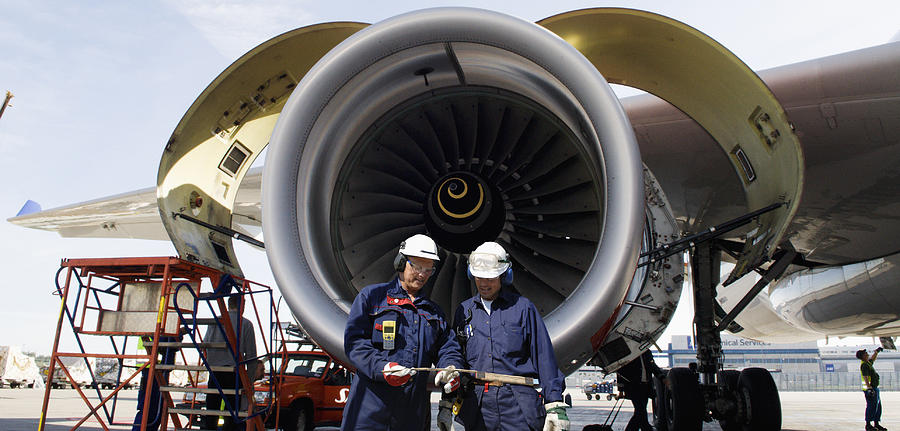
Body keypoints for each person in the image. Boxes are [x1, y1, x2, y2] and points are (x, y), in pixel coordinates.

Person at [341, 233, 464, 430]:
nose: (422, 274)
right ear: (401, 263)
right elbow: (355, 344)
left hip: (411, 415)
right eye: (416, 266)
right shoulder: (372, 298)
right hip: (369, 411)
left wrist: (450, 368)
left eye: (428, 269)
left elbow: (448, 348)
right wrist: (382, 367)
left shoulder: (434, 313)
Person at [451, 241, 569, 431]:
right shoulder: (464, 311)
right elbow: (455, 356)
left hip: (518, 405)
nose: (483, 283)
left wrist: (554, 403)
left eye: (490, 278)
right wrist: (448, 401)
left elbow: (543, 356)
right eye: (479, 277)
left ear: (504, 276)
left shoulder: (523, 308)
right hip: (479, 406)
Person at [202, 294, 257, 431]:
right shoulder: (245, 324)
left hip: (215, 372)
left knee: (212, 409)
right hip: (233, 373)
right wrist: (249, 381)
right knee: (232, 413)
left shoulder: (215, 321)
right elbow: (251, 356)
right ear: (242, 306)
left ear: (228, 304)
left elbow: (205, 345)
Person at [616, 350, 662, 431]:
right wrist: (621, 390)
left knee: (639, 412)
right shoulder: (629, 353)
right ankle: (647, 428)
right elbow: (620, 372)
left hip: (646, 387)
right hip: (634, 388)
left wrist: (662, 377)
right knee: (641, 410)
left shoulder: (647, 352)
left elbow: (652, 366)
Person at [857, 347, 887, 431]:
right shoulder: (864, 365)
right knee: (871, 407)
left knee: (877, 407)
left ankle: (876, 424)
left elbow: (872, 359)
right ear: (862, 356)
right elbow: (865, 377)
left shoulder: (867, 363)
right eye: (865, 353)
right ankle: (868, 425)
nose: (867, 354)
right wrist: (869, 388)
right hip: (870, 389)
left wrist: (876, 352)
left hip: (874, 388)